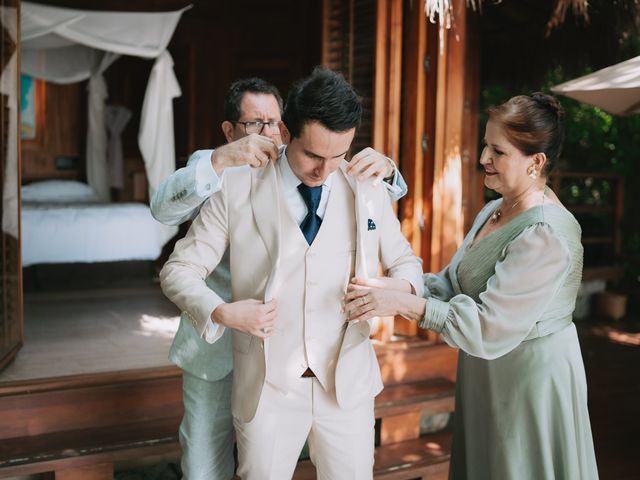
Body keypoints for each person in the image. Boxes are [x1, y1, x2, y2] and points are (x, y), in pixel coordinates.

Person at [159, 67, 423, 480]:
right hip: (266, 388)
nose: (324, 170)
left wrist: (397, 291)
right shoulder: (233, 183)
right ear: (286, 131)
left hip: (346, 385)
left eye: (338, 156)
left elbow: (409, 265)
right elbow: (178, 269)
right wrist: (222, 311)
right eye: (313, 155)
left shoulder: (367, 186)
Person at [344, 93, 599, 480]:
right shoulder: (496, 208)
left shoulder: (545, 233)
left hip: (528, 380)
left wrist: (403, 306)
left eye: (497, 150)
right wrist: (402, 287)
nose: (483, 158)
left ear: (536, 162)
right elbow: (452, 282)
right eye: (485, 145)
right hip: (485, 371)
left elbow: (488, 326)